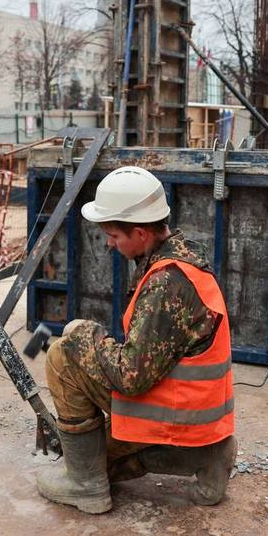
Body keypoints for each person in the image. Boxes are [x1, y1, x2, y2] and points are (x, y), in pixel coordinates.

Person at [36, 165, 237, 514]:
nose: (110, 244)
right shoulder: (183, 255)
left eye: (114, 236)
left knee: (62, 356)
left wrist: (87, 335)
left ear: (141, 234)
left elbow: (131, 376)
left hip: (174, 413)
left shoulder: (165, 283)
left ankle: (86, 485)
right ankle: (209, 453)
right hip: (198, 414)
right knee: (105, 458)